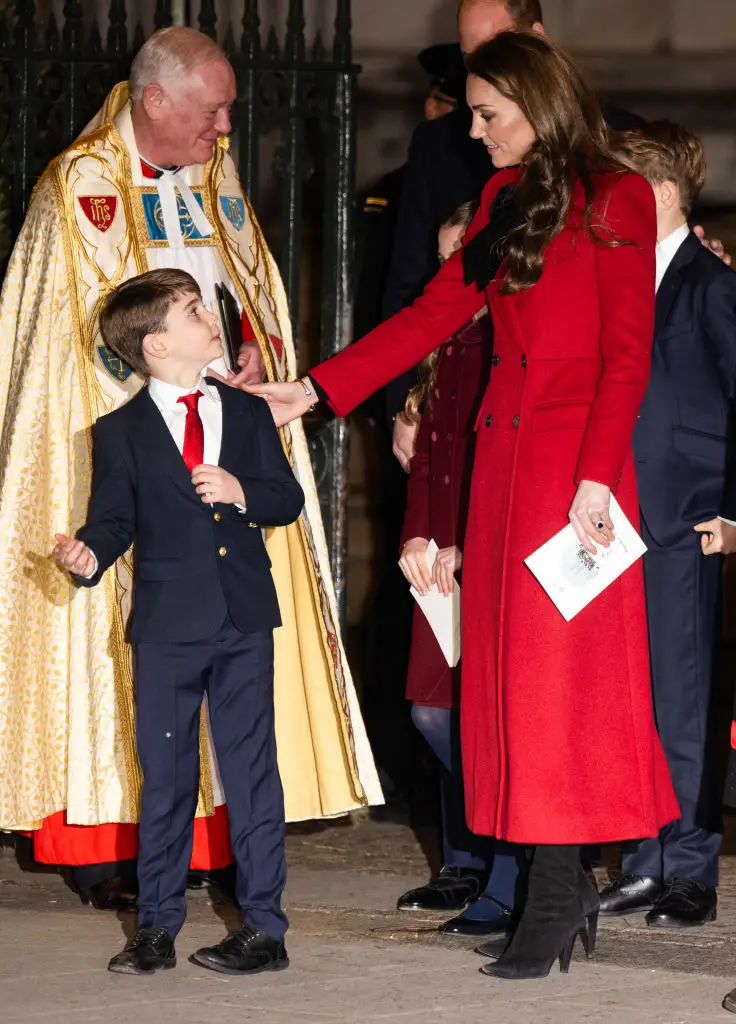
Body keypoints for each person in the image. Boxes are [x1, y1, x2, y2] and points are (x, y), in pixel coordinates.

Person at [246, 30, 681, 980]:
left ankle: (559, 893)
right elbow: (435, 314)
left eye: (490, 114)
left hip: (576, 476)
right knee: (507, 687)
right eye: (475, 114)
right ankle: (544, 887)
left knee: (557, 688)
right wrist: (314, 391)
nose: (475, 131)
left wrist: (599, 478)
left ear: (542, 103)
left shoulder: (618, 195)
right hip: (501, 467)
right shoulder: (500, 198)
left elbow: (626, 354)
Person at [0, 27, 381, 905]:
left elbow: (239, 296)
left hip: (216, 443)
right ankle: (103, 840)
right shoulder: (78, 186)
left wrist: (246, 358)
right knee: (126, 655)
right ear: (156, 101)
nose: (225, 126)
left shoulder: (215, 177)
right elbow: (58, 352)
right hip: (125, 454)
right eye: (213, 108)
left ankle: (212, 847)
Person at [53, 268, 302, 975]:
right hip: (166, 628)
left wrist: (241, 489)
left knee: (254, 775)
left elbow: (285, 499)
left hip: (243, 618)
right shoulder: (120, 431)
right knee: (164, 779)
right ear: (158, 343)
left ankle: (263, 929)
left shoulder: (247, 412)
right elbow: (111, 522)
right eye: (194, 310)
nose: (209, 317)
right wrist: (86, 555)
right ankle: (156, 928)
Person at [596, 122, 736, 928]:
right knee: (630, 698)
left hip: (684, 519)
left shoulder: (710, 286)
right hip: (612, 520)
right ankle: (643, 859)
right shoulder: (612, 280)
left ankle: (690, 868)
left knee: (682, 700)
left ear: (658, 194)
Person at [394, 201, 496, 920]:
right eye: (442, 253)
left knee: (486, 714)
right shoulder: (444, 338)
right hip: (438, 559)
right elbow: (427, 463)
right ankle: (471, 857)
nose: (446, 268)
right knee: (434, 710)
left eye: (460, 251)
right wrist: (413, 540)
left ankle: (511, 855)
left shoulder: (510, 333)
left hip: (493, 550)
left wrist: (474, 544)